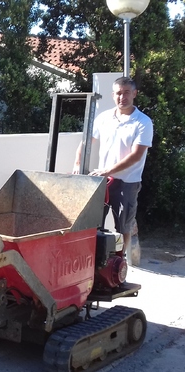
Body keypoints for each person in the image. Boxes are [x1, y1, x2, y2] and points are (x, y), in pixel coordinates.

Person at [73, 76, 153, 262]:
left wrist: (108, 171)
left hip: (127, 183)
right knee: (93, 223)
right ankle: (93, 261)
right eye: (118, 93)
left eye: (126, 93)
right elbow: (86, 142)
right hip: (102, 181)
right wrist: (77, 164)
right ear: (113, 95)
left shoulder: (143, 122)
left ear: (134, 94)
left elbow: (136, 156)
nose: (122, 97)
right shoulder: (104, 118)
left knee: (122, 227)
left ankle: (119, 263)